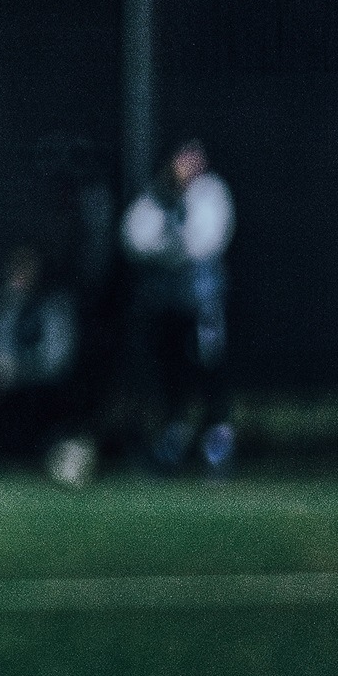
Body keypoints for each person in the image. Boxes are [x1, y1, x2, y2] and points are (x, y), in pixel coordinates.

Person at [122, 140, 236, 473]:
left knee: (209, 369)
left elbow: (205, 242)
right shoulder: (158, 194)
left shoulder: (210, 193)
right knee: (172, 373)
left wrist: (170, 246)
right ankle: (173, 444)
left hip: (203, 305)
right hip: (169, 305)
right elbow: (134, 237)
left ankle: (217, 447)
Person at [0, 246, 79, 462]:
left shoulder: (51, 306)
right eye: (15, 273)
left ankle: (31, 454)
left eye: (26, 272)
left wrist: (18, 369)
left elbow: (56, 360)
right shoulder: (1, 305)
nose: (19, 279)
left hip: (38, 382)